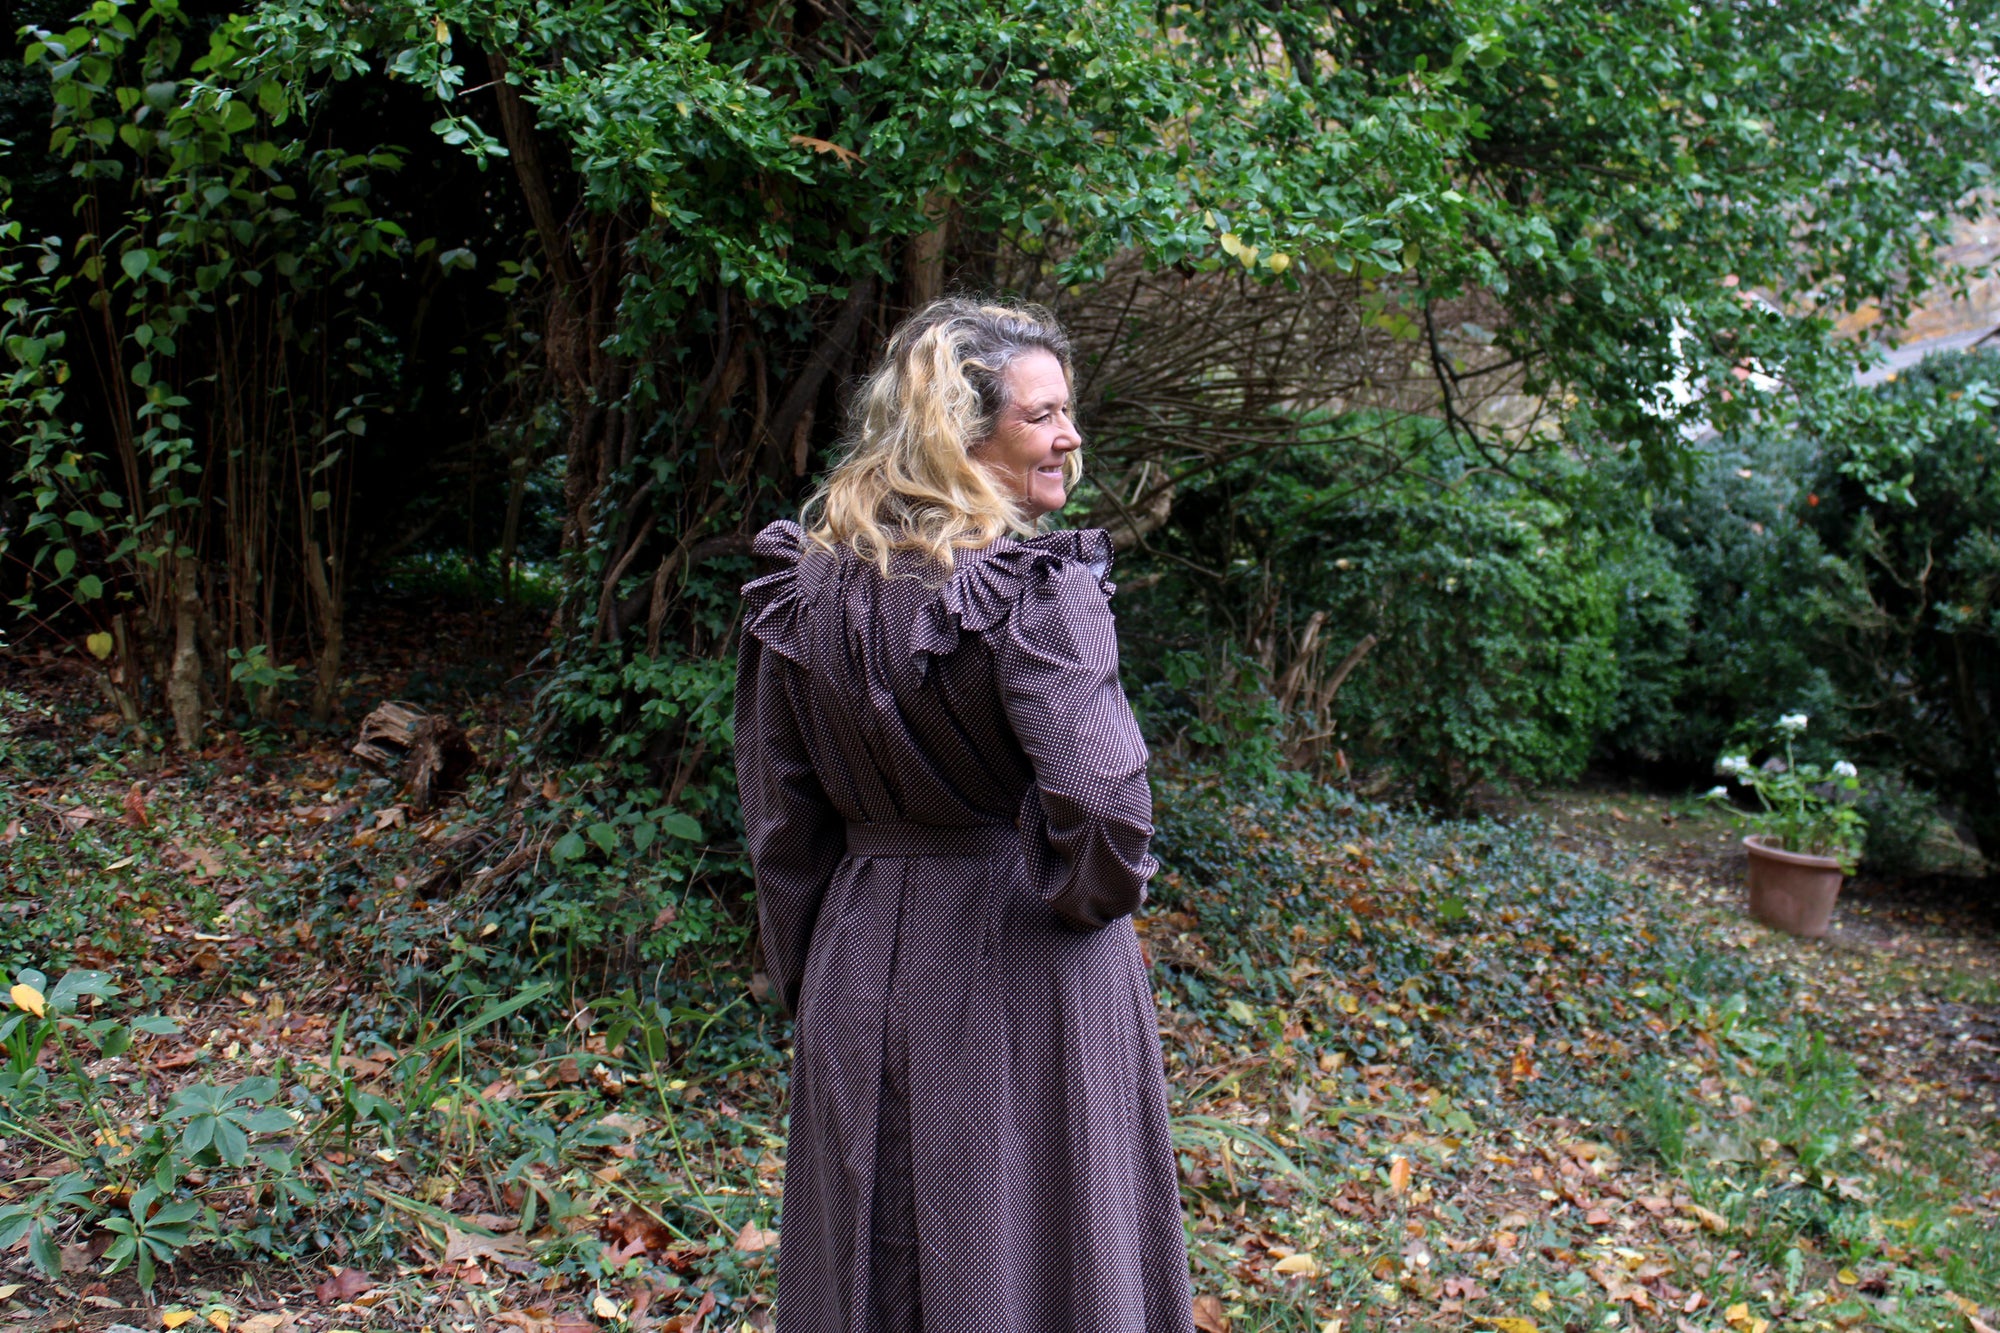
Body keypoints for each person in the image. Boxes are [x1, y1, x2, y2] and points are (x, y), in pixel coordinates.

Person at [734, 298, 1196, 1333]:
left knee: (876, 1252)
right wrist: (1082, 906)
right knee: (1029, 1249)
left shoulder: (803, 588)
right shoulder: (1034, 589)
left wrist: (816, 972)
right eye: (1042, 416)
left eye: (1064, 412)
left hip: (858, 954)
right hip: (1025, 962)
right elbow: (1106, 802)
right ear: (962, 428)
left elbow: (779, 818)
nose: (1069, 436)